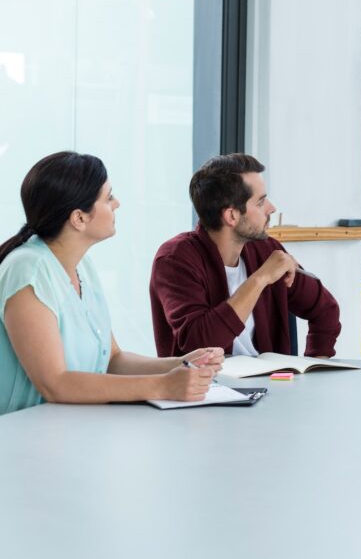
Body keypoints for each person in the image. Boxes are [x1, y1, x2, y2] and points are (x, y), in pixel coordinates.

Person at [0, 152, 222, 416]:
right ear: (79, 218)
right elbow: (55, 383)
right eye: (108, 197)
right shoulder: (28, 269)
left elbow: (112, 359)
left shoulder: (83, 267)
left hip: (71, 428)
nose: (117, 203)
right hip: (23, 436)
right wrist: (162, 386)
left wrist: (181, 364)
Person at [149, 153, 341, 358]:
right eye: (260, 203)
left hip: (272, 386)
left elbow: (325, 310)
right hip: (206, 387)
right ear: (231, 216)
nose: (271, 209)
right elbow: (199, 345)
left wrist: (314, 367)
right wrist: (260, 279)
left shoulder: (266, 250)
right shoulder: (174, 260)